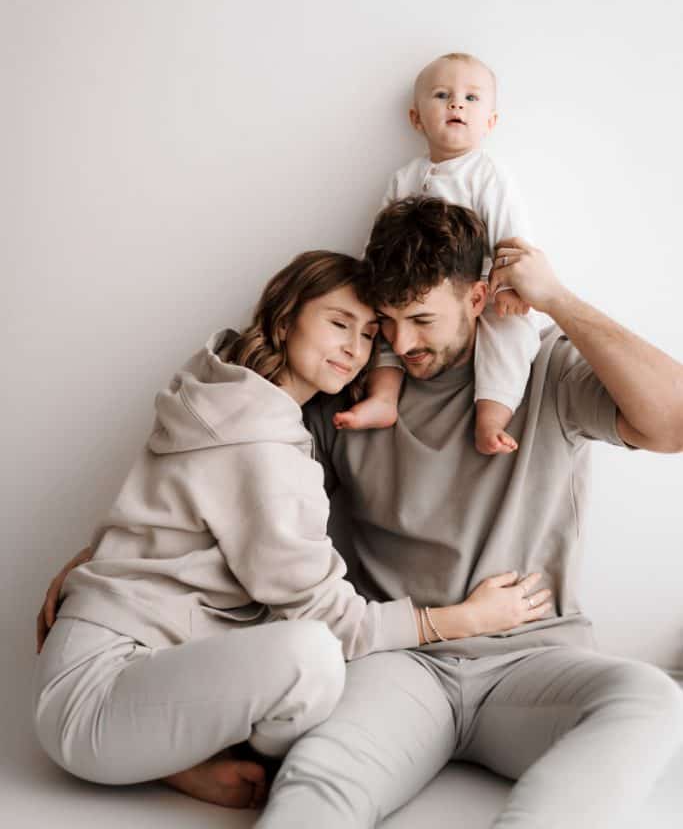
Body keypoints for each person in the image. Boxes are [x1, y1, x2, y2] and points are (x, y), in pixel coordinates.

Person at [34, 249, 553, 812]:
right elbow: (330, 620)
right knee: (314, 658)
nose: (355, 348)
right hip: (97, 700)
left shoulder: (227, 392)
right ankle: (179, 763)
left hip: (120, 664)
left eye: (368, 332)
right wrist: (463, 619)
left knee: (313, 661)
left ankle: (177, 757)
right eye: (337, 323)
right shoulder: (258, 442)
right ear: (284, 321)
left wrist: (89, 568)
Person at [252, 198, 683, 829]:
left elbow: (673, 424)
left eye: (422, 319)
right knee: (319, 780)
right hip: (400, 665)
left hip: (530, 663)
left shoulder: (544, 371)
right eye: (388, 320)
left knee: (651, 700)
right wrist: (107, 551)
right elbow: (243, 489)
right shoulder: (353, 393)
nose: (400, 342)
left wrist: (559, 299)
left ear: (478, 298)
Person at [335, 51, 540, 456]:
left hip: (484, 288)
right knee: (389, 330)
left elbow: (511, 236)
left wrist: (512, 287)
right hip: (408, 286)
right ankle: (383, 398)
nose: (456, 104)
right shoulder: (405, 177)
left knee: (510, 336)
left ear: (490, 123)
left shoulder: (487, 173)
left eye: (471, 98)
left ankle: (491, 416)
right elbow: (383, 233)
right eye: (443, 94)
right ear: (417, 119)